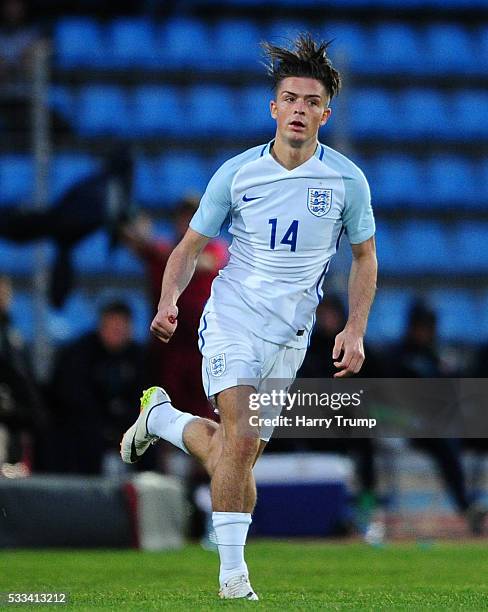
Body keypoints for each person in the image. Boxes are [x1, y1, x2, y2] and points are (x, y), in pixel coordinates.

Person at [121, 33, 377, 600]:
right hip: (233, 316)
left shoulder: (346, 181)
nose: (299, 110)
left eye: (311, 102)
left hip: (290, 334)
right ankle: (233, 578)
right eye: (290, 98)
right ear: (274, 107)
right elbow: (188, 247)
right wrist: (167, 302)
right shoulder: (238, 174)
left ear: (325, 114)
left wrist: (355, 327)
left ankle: (161, 419)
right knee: (238, 441)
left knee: (234, 453)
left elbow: (365, 257)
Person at [51, 301, 146, 475]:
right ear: (101, 327)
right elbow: (71, 397)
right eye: (112, 327)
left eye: (121, 328)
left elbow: (145, 398)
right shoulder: (78, 355)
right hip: (86, 433)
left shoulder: (140, 358)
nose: (117, 333)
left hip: (127, 429)